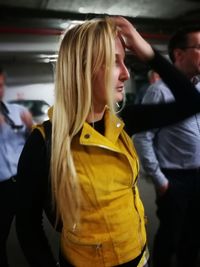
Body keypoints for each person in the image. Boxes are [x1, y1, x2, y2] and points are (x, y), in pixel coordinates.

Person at [15, 16, 200, 267]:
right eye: (115, 62)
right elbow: (28, 228)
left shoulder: (124, 121)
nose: (126, 74)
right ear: (82, 68)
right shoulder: (44, 142)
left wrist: (146, 50)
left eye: (125, 61)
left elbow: (192, 101)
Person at [134, 26, 200, 267]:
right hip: (174, 179)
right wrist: (161, 181)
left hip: (198, 176)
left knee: (193, 235)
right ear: (179, 54)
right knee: (170, 235)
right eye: (199, 47)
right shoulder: (158, 91)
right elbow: (142, 138)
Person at [0, 68, 33, 267]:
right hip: (1, 187)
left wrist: (30, 128)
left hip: (21, 182)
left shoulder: (16, 111)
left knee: (29, 230)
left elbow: (30, 145)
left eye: (1, 85)